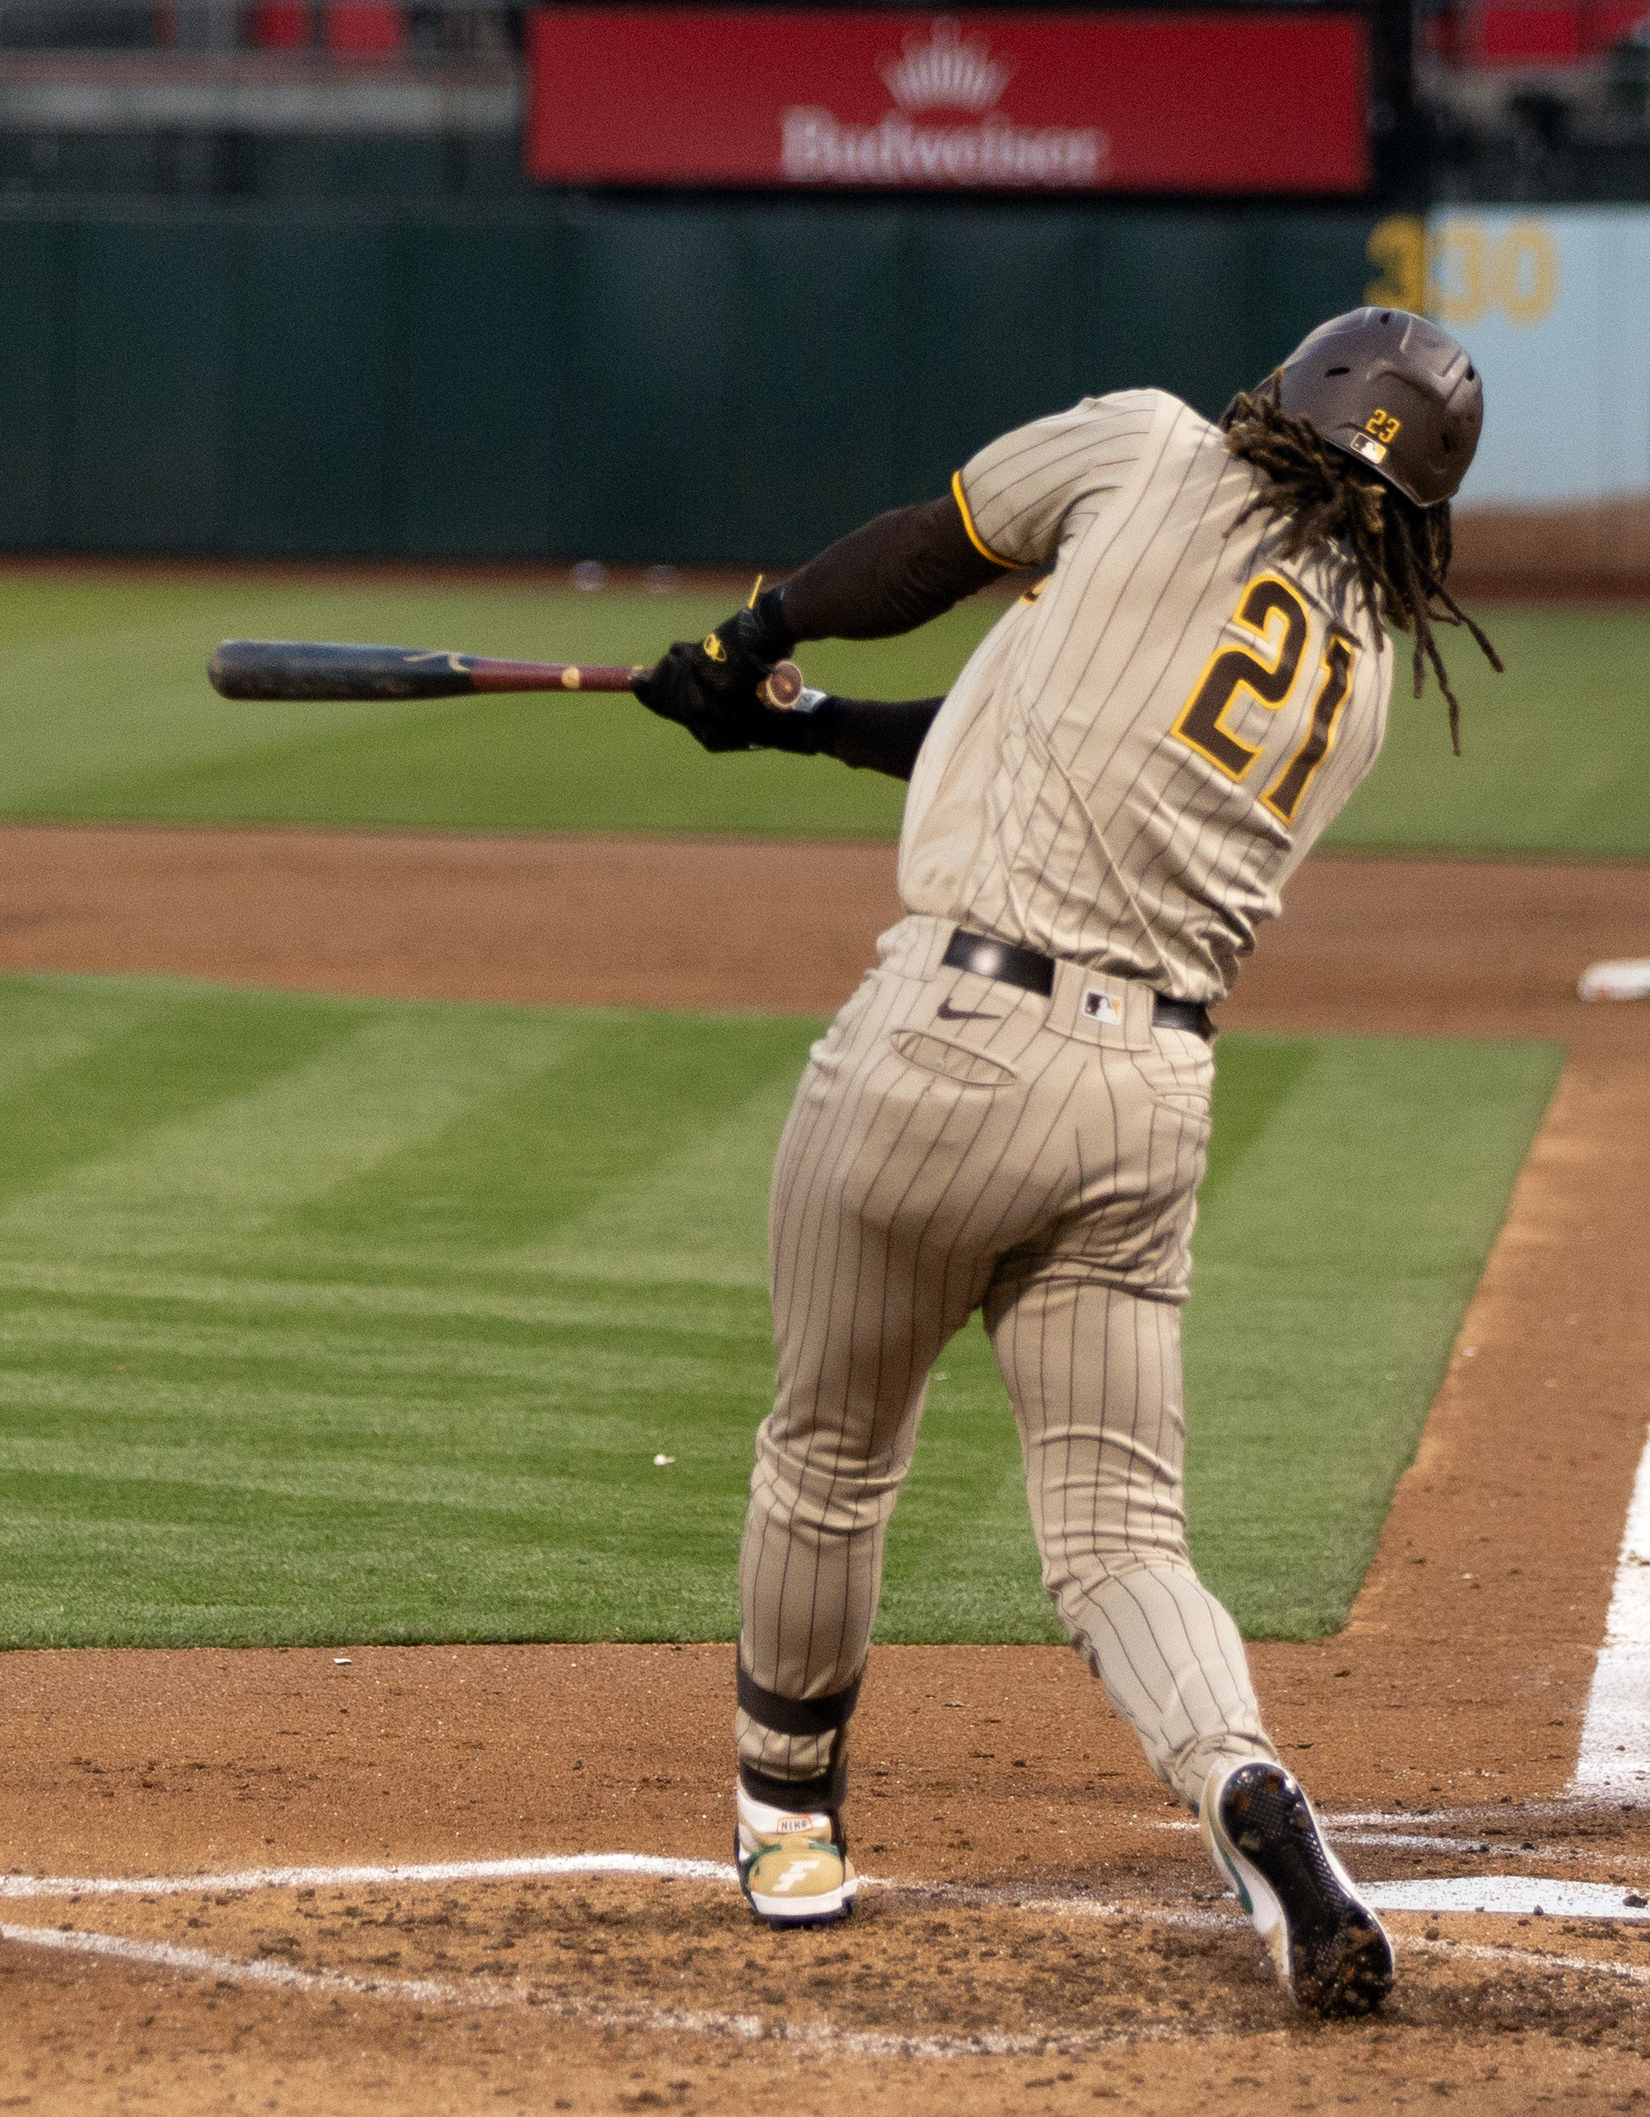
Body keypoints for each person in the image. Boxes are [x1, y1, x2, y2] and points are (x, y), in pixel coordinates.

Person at [631, 308, 1498, 2018]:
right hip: (1141, 1104)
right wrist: (798, 725)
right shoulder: (1365, 676)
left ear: (1300, 389)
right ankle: (1244, 1784)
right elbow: (1030, 717)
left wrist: (753, 633)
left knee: (828, 1453)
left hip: (937, 1050)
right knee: (1117, 1538)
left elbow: (917, 552)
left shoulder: (1151, 447)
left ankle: (789, 1821)